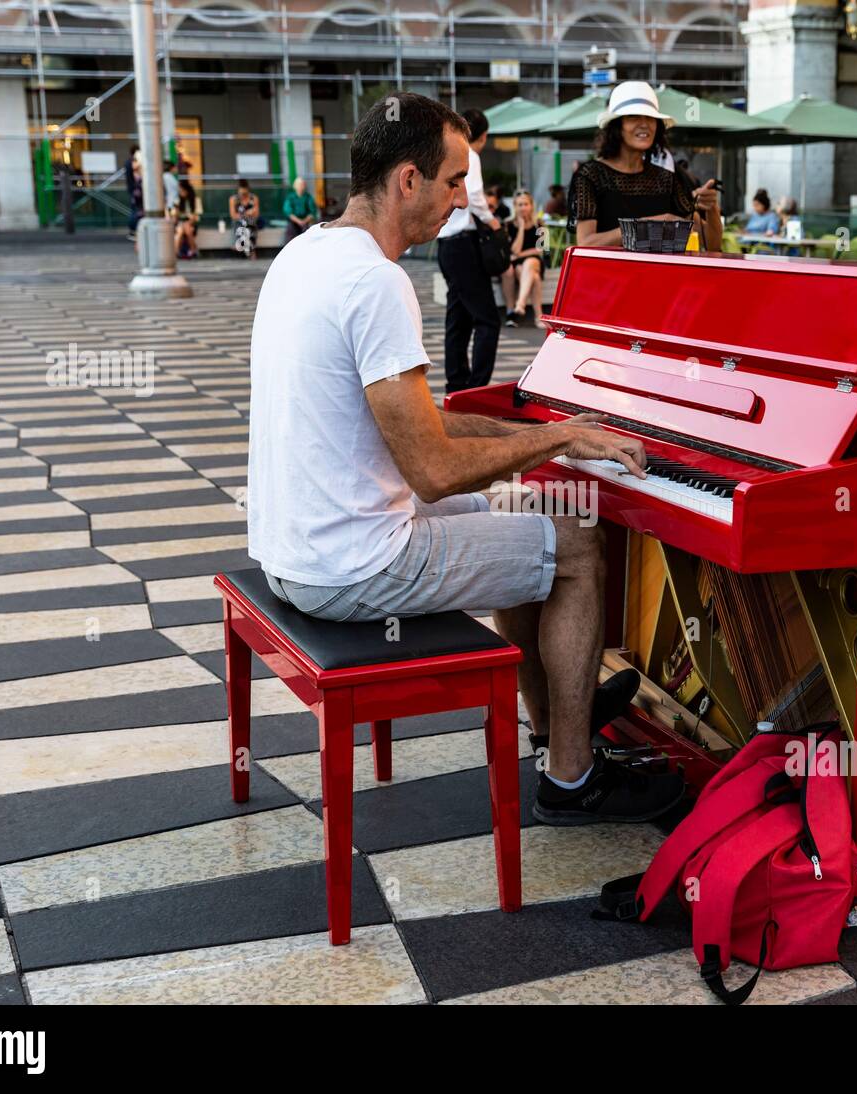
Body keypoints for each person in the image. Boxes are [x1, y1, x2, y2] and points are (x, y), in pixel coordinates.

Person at [247, 91, 684, 824]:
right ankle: (573, 779)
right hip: (352, 567)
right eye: (454, 181)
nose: (461, 200)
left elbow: (414, 425)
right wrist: (562, 436)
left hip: (293, 549)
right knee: (579, 544)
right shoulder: (377, 282)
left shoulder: (304, 255)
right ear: (407, 180)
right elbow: (434, 471)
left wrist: (525, 425)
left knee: (522, 511)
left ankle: (554, 725)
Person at [569, 81, 722, 252]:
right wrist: (648, 227)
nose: (644, 124)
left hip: (659, 277)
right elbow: (585, 243)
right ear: (617, 126)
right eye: (633, 116)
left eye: (650, 118)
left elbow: (712, 246)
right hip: (610, 277)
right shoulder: (591, 175)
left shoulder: (666, 179)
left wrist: (712, 208)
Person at [436, 107, 501, 394]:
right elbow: (474, 195)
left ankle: (457, 383)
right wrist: (492, 221)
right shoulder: (469, 154)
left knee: (459, 318)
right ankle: (477, 387)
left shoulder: (444, 153)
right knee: (488, 320)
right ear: (483, 136)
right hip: (464, 244)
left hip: (447, 245)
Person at [502, 189, 546, 329]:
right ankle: (538, 317)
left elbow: (541, 250)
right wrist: (521, 227)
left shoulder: (540, 223)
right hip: (518, 265)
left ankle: (520, 304)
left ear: (531, 205)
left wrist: (520, 255)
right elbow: (513, 250)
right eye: (519, 205)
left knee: (530, 262)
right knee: (535, 278)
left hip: (535, 261)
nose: (523, 207)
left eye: (525, 204)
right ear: (515, 206)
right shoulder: (508, 224)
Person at [229, 178, 260, 259]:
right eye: (241, 193)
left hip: (251, 221)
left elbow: (256, 214)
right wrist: (245, 214)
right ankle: (252, 251)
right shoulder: (233, 199)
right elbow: (233, 215)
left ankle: (241, 244)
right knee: (243, 224)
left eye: (245, 193)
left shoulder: (254, 198)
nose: (243, 195)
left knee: (249, 224)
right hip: (239, 222)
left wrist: (251, 213)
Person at [283, 176, 317, 243]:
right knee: (290, 234)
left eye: (302, 184)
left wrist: (304, 221)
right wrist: (298, 221)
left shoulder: (308, 197)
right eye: (299, 184)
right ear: (295, 186)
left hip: (306, 222)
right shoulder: (290, 197)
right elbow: (288, 212)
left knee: (308, 235)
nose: (301, 186)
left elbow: (312, 212)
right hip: (293, 222)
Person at [173, 178, 200, 259]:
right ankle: (193, 250)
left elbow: (196, 217)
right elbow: (175, 217)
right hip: (180, 223)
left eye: (182, 190)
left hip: (192, 223)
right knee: (182, 230)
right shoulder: (177, 200)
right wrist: (176, 210)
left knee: (187, 229)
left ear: (187, 190)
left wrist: (189, 220)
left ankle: (176, 253)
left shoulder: (195, 201)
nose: (180, 192)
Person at [125, 145, 143, 240]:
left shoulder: (129, 162)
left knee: (135, 210)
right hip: (136, 190)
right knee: (136, 211)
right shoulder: (133, 163)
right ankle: (133, 230)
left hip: (133, 189)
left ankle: (134, 231)